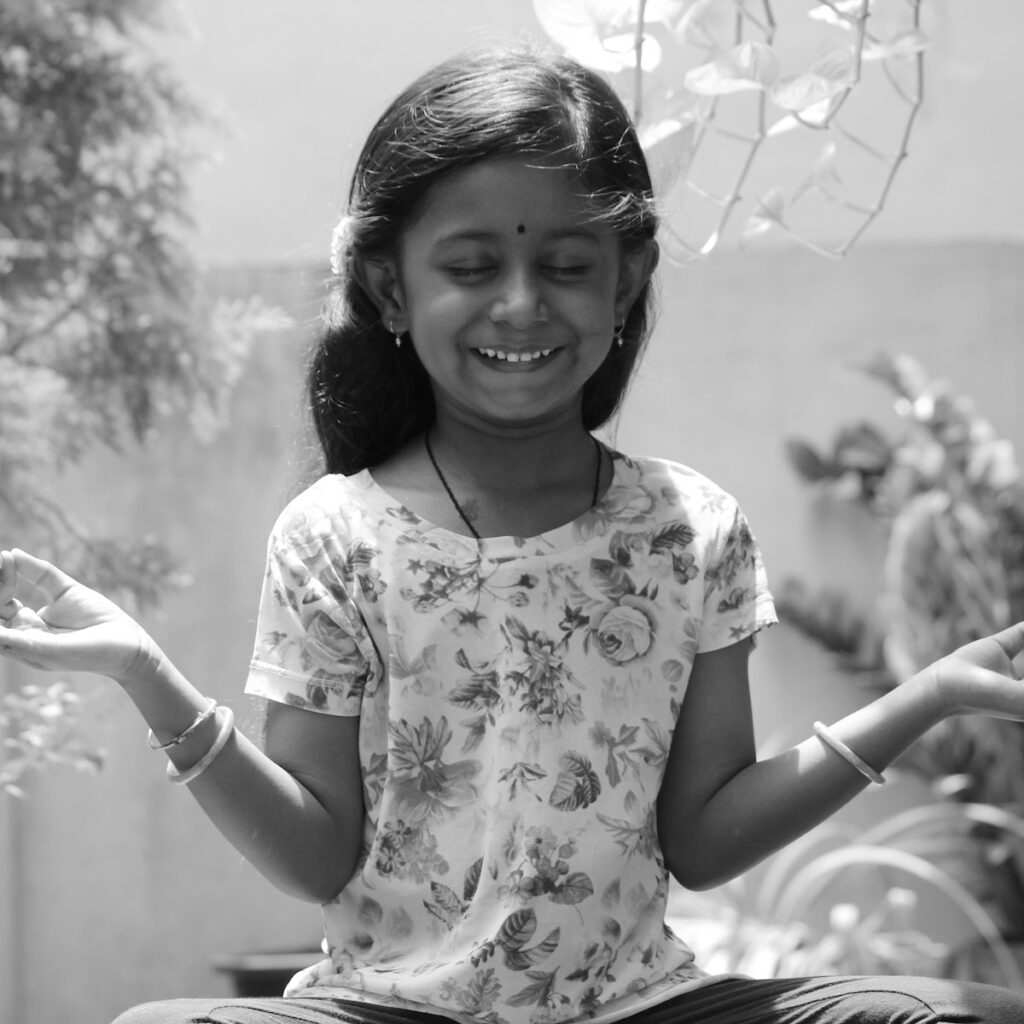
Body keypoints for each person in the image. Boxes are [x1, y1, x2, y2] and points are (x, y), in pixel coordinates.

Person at [1, 44, 1023, 1024]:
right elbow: (316, 857)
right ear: (391, 289)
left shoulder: (690, 530)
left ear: (625, 283)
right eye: (473, 264)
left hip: (645, 1006)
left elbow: (703, 840)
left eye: (568, 264)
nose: (522, 303)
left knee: (962, 1014)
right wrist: (143, 670)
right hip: (385, 1008)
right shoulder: (335, 537)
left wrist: (927, 697)